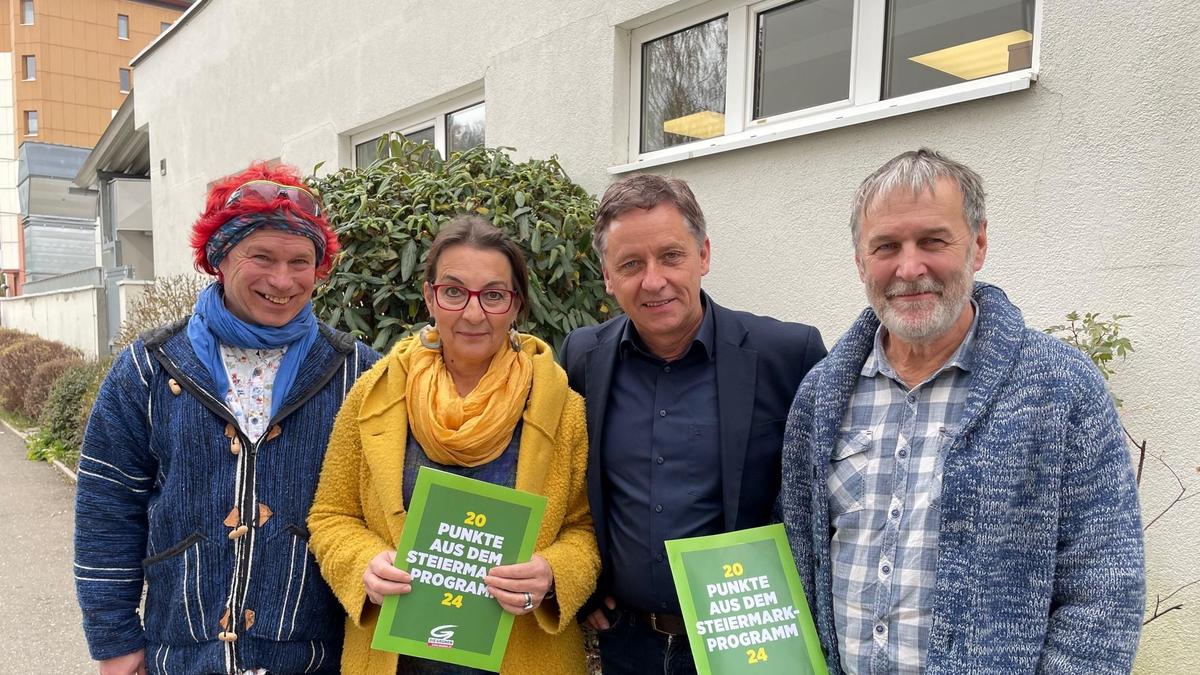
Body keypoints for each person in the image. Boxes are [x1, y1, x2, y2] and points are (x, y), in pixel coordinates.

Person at [779, 148, 1145, 673]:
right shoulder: (819, 397)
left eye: (933, 241)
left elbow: (1104, 592)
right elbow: (799, 562)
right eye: (886, 247)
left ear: (978, 244)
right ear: (861, 262)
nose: (909, 268)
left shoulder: (1060, 387)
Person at [74, 163, 380, 674]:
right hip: (184, 655)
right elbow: (106, 514)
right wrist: (115, 640)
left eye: (300, 261)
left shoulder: (357, 372)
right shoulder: (148, 369)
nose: (282, 281)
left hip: (317, 659)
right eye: (261, 257)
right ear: (219, 256)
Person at [559, 174, 827, 674]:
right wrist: (585, 590)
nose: (654, 280)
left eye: (671, 256)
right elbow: (571, 484)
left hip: (747, 643)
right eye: (631, 264)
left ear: (703, 255)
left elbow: (822, 500)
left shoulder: (788, 355)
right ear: (608, 276)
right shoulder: (583, 356)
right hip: (627, 643)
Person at [307, 215, 598, 674]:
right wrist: (362, 563)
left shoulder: (560, 407)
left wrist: (552, 573)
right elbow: (331, 515)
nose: (473, 313)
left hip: (521, 657)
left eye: (494, 295)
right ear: (429, 296)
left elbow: (585, 530)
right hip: (396, 658)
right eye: (454, 291)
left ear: (516, 304)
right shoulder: (377, 393)